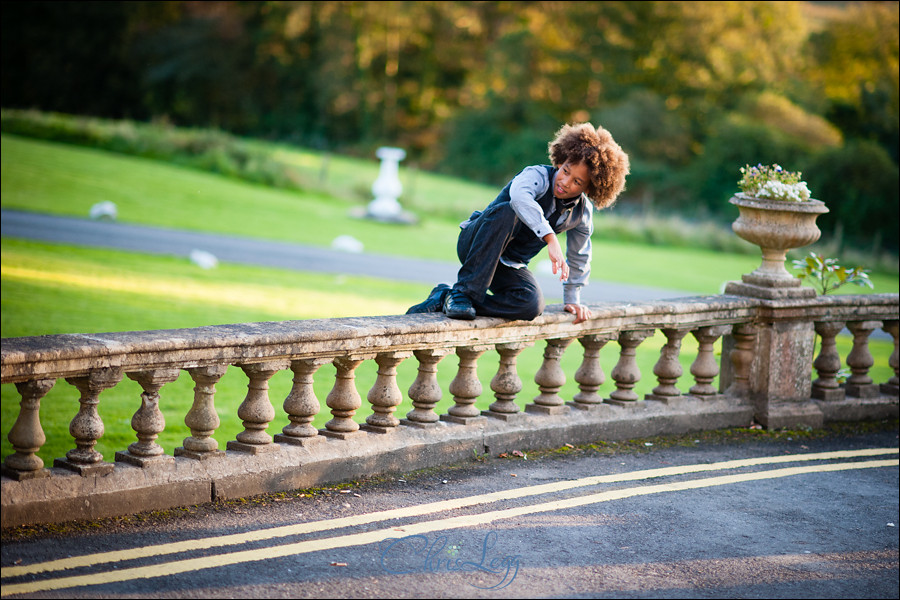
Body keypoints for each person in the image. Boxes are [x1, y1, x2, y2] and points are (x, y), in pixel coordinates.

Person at [406, 122, 629, 324]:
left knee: (531, 305)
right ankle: (464, 293)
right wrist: (550, 237)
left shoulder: (582, 213)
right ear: (561, 161)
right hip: (475, 244)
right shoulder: (537, 175)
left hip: (508, 264)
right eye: (565, 171)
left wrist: (573, 298)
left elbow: (579, 255)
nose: (565, 182)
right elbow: (520, 199)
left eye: (577, 181)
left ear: (589, 188)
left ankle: (447, 297)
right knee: (509, 211)